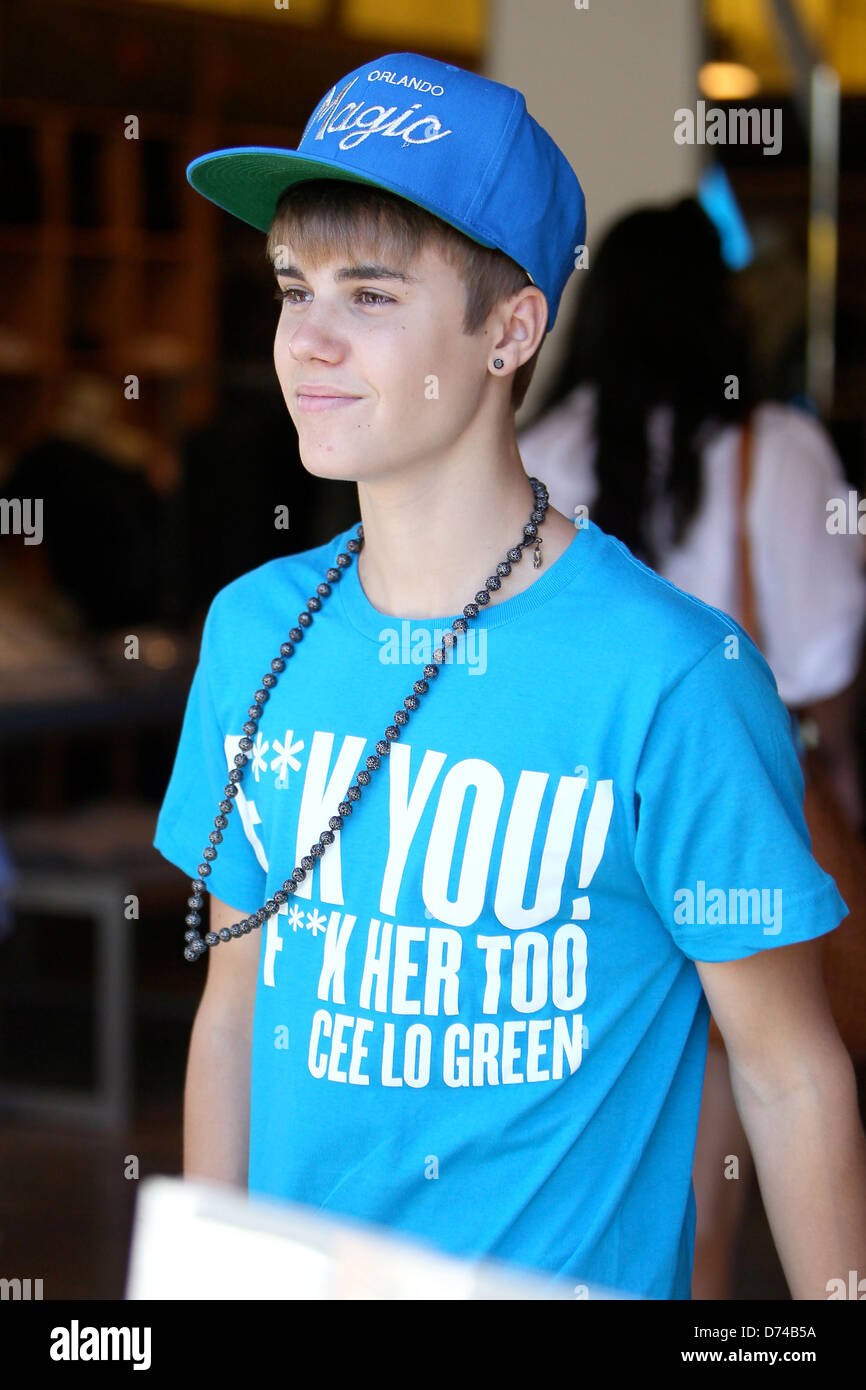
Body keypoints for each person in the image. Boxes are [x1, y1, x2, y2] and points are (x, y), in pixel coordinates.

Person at [153, 52, 866, 1301]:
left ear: (510, 328)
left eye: (369, 296)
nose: (307, 341)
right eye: (290, 288)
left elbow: (788, 1071)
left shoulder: (670, 675)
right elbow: (233, 1007)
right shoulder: (250, 631)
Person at [517, 199, 866, 1297]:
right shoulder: (778, 448)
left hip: (547, 853)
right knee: (706, 1219)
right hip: (727, 839)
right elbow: (820, 667)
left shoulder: (528, 449)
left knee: (578, 1193)